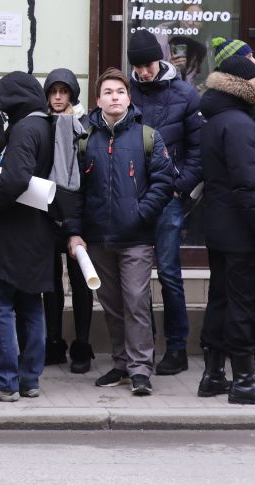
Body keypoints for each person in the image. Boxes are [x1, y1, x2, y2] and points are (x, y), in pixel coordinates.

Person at [66, 68, 173, 397]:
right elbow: (75, 191)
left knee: (136, 302)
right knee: (111, 304)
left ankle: (140, 369)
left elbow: (163, 183)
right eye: (108, 92)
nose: (115, 97)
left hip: (135, 239)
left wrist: (140, 214)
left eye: (120, 92)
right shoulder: (85, 140)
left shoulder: (147, 137)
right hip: (98, 239)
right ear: (98, 101)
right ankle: (121, 363)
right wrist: (75, 232)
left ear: (129, 98)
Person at [0, 72, 63, 402]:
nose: (2, 111)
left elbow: (16, 179)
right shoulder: (46, 125)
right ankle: (28, 379)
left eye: (3, 103)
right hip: (37, 231)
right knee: (30, 302)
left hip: (11, 234)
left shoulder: (24, 129)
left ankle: (3, 380)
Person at [196, 55, 255, 406]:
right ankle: (245, 380)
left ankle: (213, 375)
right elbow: (248, 184)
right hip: (242, 230)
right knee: (242, 305)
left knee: (220, 299)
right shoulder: (239, 125)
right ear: (242, 85)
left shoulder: (218, 120)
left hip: (220, 227)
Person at [126, 28, 203, 377]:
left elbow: (198, 150)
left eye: (148, 65)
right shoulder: (126, 93)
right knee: (136, 276)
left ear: (159, 60)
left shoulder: (184, 94)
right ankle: (142, 348)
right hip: (133, 197)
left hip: (169, 197)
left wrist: (179, 187)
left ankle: (176, 348)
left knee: (170, 273)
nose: (144, 72)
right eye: (138, 66)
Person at [41, 67, 92, 373]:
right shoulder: (42, 123)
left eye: (64, 92)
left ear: (72, 94)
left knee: (80, 280)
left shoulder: (84, 126)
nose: (58, 97)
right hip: (47, 212)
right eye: (53, 92)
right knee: (50, 282)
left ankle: (82, 345)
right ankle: (53, 341)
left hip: (77, 212)